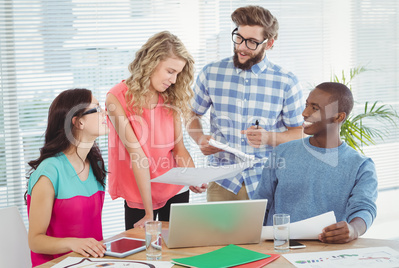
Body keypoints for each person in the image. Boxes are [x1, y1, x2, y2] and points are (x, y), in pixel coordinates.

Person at [187, 5, 304, 201]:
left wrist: (268, 137)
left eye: (251, 42)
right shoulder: (211, 73)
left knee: (265, 233)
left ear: (269, 43)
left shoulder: (286, 81)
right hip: (222, 181)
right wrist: (199, 138)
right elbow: (191, 114)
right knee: (218, 233)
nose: (241, 47)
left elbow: (299, 133)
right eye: (239, 37)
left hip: (266, 181)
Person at [253, 82, 378, 244]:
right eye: (306, 105)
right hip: (279, 248)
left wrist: (354, 229)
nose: (305, 113)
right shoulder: (281, 152)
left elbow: (364, 209)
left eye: (315, 108)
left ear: (338, 116)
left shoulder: (361, 165)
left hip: (328, 250)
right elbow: (261, 203)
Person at [106, 31, 206, 230]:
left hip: (175, 189)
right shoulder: (116, 97)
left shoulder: (171, 95)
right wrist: (148, 212)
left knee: (177, 251)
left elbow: (179, 148)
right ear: (151, 63)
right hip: (140, 194)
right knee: (142, 254)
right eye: (170, 71)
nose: (175, 80)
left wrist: (193, 177)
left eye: (178, 73)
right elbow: (137, 155)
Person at [26, 88, 109, 267]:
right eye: (97, 109)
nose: (105, 113)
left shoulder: (97, 165)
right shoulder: (50, 171)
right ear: (78, 122)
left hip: (92, 263)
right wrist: (73, 243)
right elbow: (35, 241)